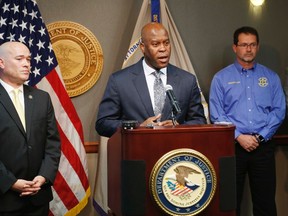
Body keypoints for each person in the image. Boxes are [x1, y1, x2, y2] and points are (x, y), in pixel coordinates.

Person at [209, 26, 286, 216]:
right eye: (244, 45)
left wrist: (260, 137)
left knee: (265, 202)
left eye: (252, 44)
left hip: (263, 148)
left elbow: (279, 111)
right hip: (232, 148)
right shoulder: (220, 78)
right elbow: (216, 114)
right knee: (230, 201)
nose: (248, 49)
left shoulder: (271, 77)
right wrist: (239, 137)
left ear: (257, 47)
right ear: (235, 47)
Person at [96, 22, 206, 137]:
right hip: (137, 151)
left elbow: (199, 121)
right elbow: (103, 124)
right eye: (155, 44)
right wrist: (138, 127)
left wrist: (178, 127)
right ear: (143, 47)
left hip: (175, 152)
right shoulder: (119, 81)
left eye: (166, 43)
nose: (163, 49)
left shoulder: (187, 80)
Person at [0, 41, 61, 215]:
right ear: (1, 63)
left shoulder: (42, 98)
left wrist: (43, 177)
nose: (27, 64)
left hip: (38, 199)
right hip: (4, 199)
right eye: (19, 59)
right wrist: (10, 182)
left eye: (28, 59)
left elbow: (53, 144)